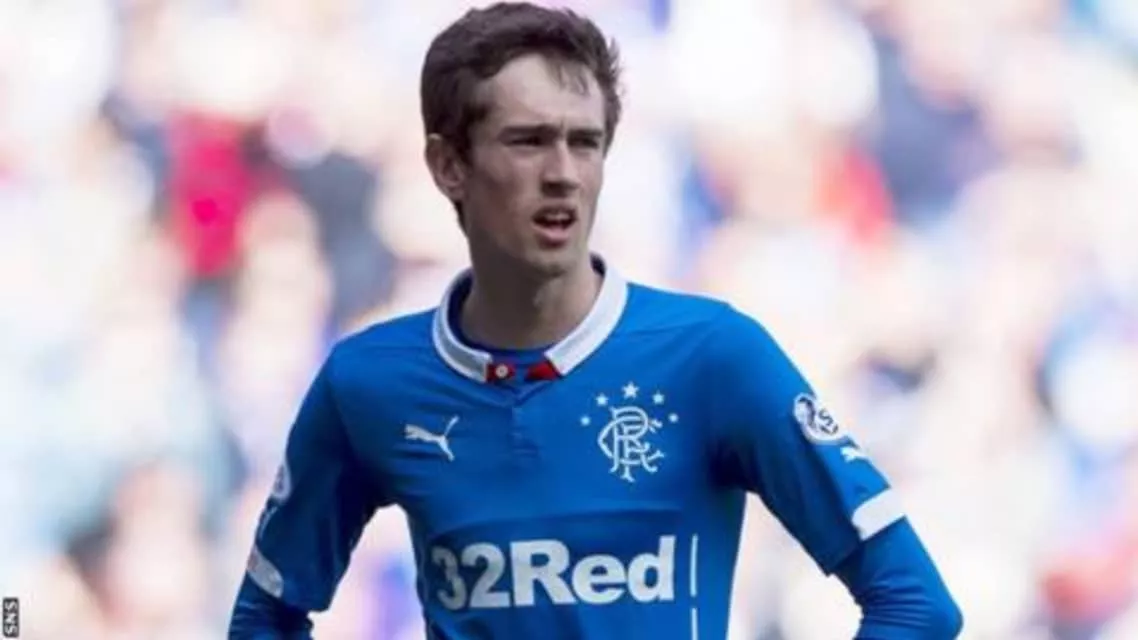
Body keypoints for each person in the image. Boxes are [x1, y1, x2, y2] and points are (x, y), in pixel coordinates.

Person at [229, 3, 964, 638]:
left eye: (584, 142)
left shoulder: (713, 357)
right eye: (527, 141)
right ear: (448, 165)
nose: (564, 174)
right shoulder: (369, 383)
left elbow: (915, 604)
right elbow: (265, 616)